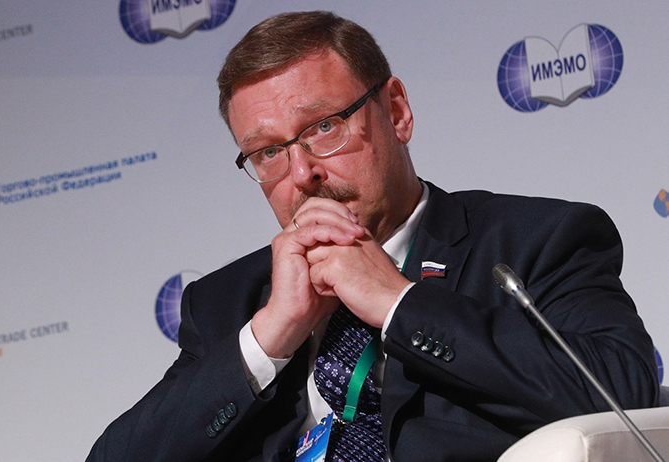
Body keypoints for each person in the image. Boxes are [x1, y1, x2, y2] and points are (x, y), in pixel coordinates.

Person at [87, 11, 659, 462]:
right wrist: (271, 336)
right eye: (267, 153)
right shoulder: (229, 302)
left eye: (323, 127)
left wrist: (398, 303)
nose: (301, 173)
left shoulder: (534, 241)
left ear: (397, 111)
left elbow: (622, 397)